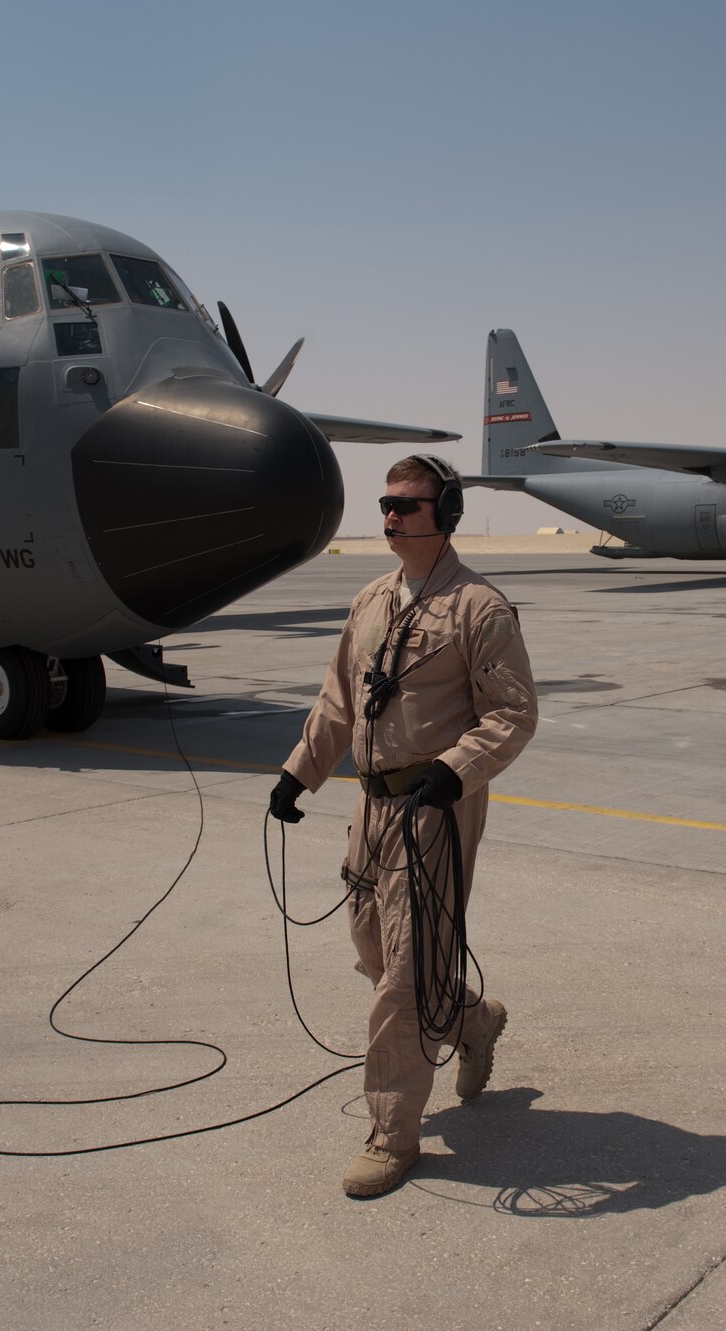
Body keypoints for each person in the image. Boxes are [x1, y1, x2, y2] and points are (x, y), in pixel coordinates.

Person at [268, 455, 539, 1197]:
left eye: (407, 506)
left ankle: (393, 1134)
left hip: (435, 809)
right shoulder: (370, 601)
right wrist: (300, 771)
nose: (389, 516)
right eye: (385, 503)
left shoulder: (480, 608)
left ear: (444, 513)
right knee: (373, 946)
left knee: (409, 967)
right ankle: (472, 1020)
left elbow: (513, 713)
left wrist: (456, 768)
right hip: (372, 807)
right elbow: (336, 701)